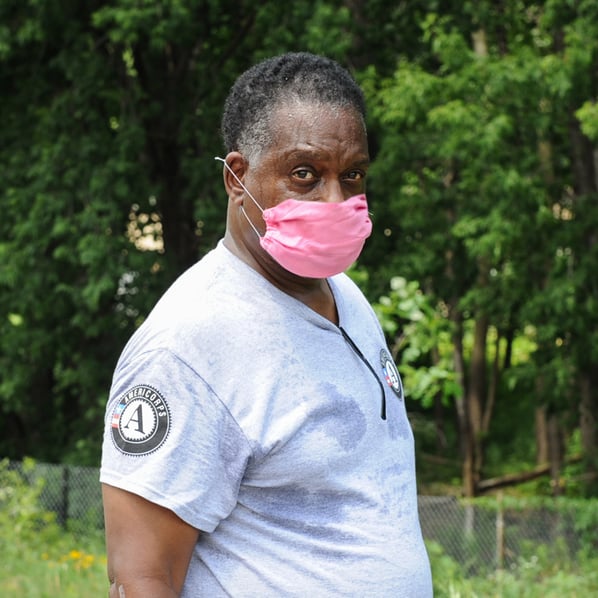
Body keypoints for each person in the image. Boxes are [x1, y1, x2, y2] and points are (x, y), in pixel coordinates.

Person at [100, 51, 433, 597]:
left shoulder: (345, 296)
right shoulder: (189, 343)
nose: (335, 199)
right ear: (238, 176)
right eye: (305, 174)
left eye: (352, 176)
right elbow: (141, 577)